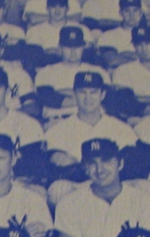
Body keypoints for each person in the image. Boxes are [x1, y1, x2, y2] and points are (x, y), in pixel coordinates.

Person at [42, 71, 144, 205]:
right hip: (78, 186)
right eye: (82, 92)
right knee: (58, 189)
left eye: (93, 92)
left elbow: (131, 163)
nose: (88, 98)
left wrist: (79, 165)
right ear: (74, 95)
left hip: (115, 185)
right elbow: (58, 167)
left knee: (146, 188)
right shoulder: (57, 130)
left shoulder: (121, 128)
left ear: (103, 95)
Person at [34, 26, 109, 126]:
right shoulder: (46, 72)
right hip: (58, 122)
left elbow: (108, 100)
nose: (73, 51)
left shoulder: (99, 71)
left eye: (77, 47)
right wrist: (88, 99)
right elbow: (50, 99)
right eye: (68, 47)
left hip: (94, 122)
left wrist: (65, 93)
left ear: (83, 48)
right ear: (59, 48)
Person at [24, 0, 94, 54]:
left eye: (61, 6)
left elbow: (88, 50)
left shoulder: (81, 29)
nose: (57, 11)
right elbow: (33, 55)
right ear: (47, 9)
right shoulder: (35, 31)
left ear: (67, 9)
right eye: (53, 7)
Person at [96, 0, 147, 69]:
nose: (131, 15)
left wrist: (123, 54)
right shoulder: (107, 36)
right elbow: (112, 60)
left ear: (141, 13)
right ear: (120, 13)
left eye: (135, 10)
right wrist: (141, 57)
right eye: (127, 11)